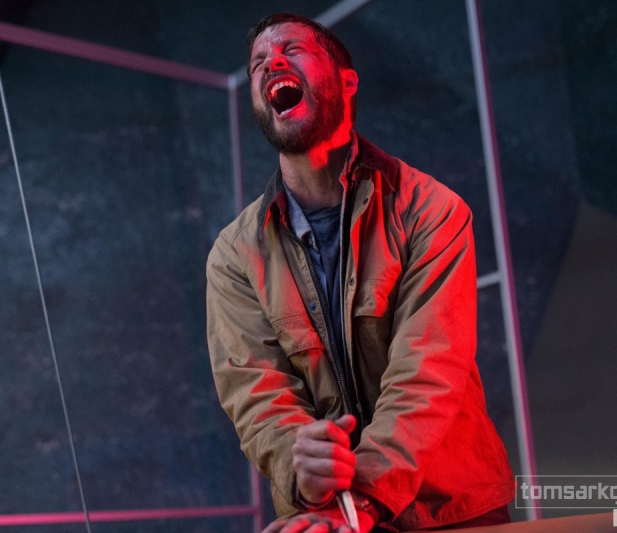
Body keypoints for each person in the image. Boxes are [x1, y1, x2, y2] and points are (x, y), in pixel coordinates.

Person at [206, 13, 514, 532]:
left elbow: (427, 374)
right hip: (325, 517)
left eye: (292, 50)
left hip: (452, 513)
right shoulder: (234, 255)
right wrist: (301, 471)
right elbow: (256, 394)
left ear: (347, 81)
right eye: (258, 62)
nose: (271, 63)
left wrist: (362, 499)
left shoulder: (431, 210)